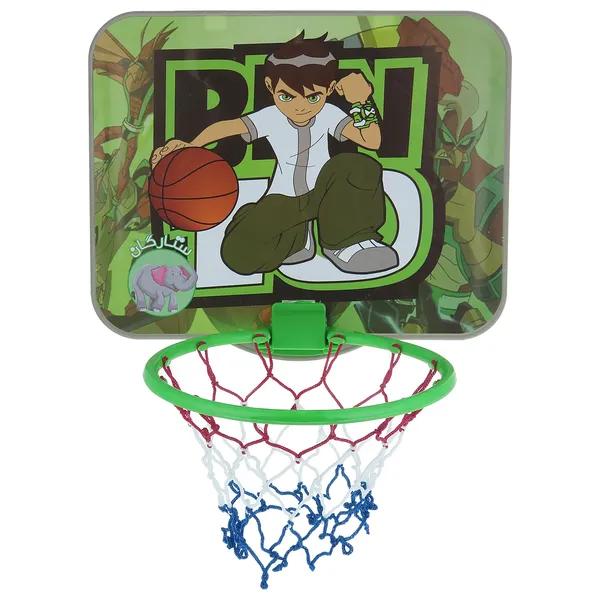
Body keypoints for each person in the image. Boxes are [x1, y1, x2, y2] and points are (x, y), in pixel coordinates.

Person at [152, 32, 398, 275]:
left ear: (330, 88)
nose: (300, 106)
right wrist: (191, 145)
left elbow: (371, 140)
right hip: (284, 202)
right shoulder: (270, 117)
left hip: (324, 196)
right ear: (270, 86)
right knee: (236, 253)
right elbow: (227, 127)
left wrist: (362, 102)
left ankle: (345, 243)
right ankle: (297, 240)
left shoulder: (330, 114)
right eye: (286, 96)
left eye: (313, 97)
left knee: (356, 165)